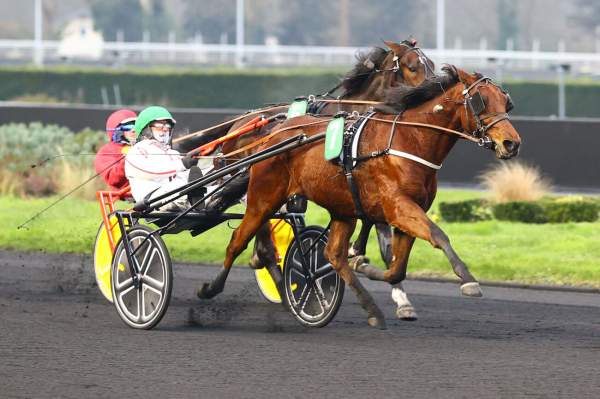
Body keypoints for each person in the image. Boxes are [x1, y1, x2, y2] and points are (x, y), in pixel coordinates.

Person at [124, 106, 202, 210]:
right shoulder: (136, 150)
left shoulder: (172, 152)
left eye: (168, 126)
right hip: (151, 199)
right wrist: (182, 164)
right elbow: (153, 171)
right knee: (181, 190)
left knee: (220, 187)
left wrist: (214, 170)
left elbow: (180, 175)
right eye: (160, 126)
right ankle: (194, 195)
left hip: (176, 192)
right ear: (146, 129)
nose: (165, 129)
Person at [94, 109, 137, 190]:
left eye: (136, 126)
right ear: (117, 130)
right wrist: (128, 160)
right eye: (128, 127)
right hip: (126, 195)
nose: (134, 130)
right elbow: (113, 179)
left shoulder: (146, 145)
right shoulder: (105, 152)